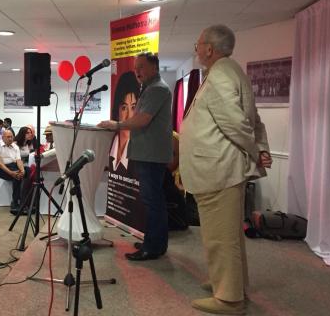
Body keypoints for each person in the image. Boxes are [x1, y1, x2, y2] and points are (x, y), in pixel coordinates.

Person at [180, 25, 272, 315]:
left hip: (218, 170)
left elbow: (235, 124)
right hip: (220, 169)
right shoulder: (231, 72)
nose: (196, 50)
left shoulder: (220, 75)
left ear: (209, 48)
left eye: (198, 44)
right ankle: (231, 284)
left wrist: (257, 151)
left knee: (220, 237)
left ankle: (229, 299)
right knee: (227, 234)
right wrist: (261, 148)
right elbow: (253, 120)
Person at [98, 52, 173, 262]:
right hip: (146, 152)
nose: (137, 71)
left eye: (141, 67)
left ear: (154, 67)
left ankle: (153, 247)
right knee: (152, 200)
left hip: (151, 154)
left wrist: (117, 124)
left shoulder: (157, 89)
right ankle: (154, 242)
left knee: (153, 201)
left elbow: (142, 120)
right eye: (135, 67)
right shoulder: (149, 88)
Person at [109, 71, 140, 173]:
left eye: (133, 107)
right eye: (124, 108)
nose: (129, 116)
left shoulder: (140, 152)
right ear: (117, 111)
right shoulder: (110, 142)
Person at [0, 129, 25, 213]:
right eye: (8, 137)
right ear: (3, 137)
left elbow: (19, 160)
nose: (10, 139)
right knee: (17, 176)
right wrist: (11, 173)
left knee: (28, 171)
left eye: (11, 137)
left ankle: (25, 200)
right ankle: (16, 202)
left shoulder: (15, 146)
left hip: (14, 166)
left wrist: (22, 170)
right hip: (3, 169)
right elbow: (0, 163)